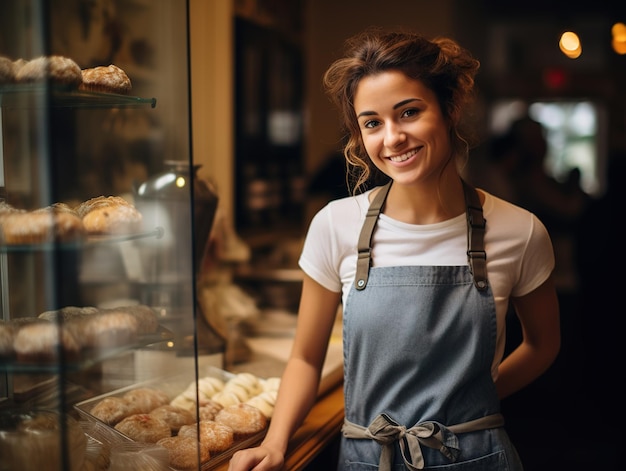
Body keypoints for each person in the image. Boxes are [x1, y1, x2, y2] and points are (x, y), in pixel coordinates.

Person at [228, 28, 560, 471]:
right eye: (372, 123)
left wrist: (469, 404)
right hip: (368, 458)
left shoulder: (519, 231)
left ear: (450, 108)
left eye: (409, 112)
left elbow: (543, 345)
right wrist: (274, 442)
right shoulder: (335, 225)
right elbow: (306, 358)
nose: (392, 138)